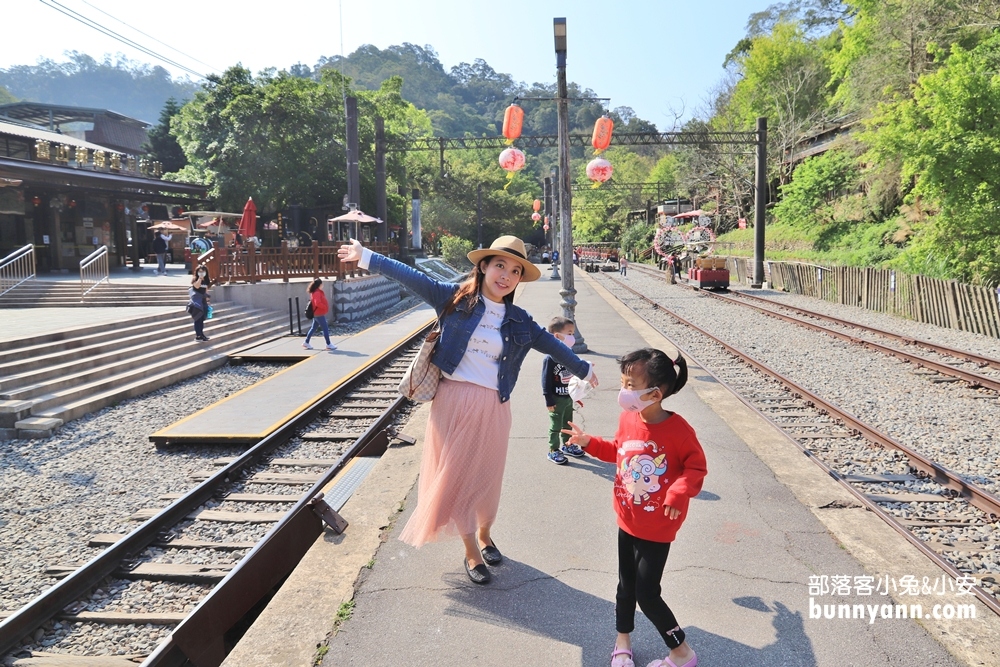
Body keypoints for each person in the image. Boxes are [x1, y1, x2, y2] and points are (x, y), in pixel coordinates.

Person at [338, 235, 598, 585]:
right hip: (453, 404)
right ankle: (471, 551)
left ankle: (485, 533)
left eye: (515, 270)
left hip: (494, 406)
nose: (505, 275)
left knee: (487, 478)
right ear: (484, 267)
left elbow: (553, 345)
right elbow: (412, 277)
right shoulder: (454, 299)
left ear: (520, 279)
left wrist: (583, 369)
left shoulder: (520, 320)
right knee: (458, 479)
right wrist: (366, 255)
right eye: (500, 266)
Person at [562, 348, 706, 667]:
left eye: (629, 384)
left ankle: (681, 652)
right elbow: (618, 450)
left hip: (658, 528)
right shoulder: (629, 418)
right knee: (625, 587)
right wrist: (589, 443)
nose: (623, 390)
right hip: (627, 519)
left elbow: (696, 469)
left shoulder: (679, 431)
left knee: (647, 593)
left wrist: (678, 492)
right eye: (624, 381)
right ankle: (622, 641)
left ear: (654, 394)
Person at [542, 316, 585, 465]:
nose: (572, 337)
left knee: (568, 423)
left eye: (573, 333)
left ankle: (567, 445)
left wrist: (576, 394)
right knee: (555, 426)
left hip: (568, 398)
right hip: (556, 399)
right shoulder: (550, 358)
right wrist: (548, 399)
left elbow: (573, 378)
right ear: (557, 336)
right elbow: (545, 381)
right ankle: (553, 450)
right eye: (570, 333)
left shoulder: (569, 354)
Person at [303, 278, 336, 351]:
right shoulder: (317, 292)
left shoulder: (315, 292)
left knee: (313, 328)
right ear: (319, 285)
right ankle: (328, 344)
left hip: (317, 313)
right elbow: (317, 303)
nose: (322, 285)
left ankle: (306, 342)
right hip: (319, 313)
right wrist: (324, 307)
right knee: (325, 328)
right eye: (322, 284)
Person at [188, 266, 211, 341]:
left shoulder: (206, 280)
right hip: (196, 303)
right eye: (200, 271)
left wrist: (208, 301)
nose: (201, 273)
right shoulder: (195, 280)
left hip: (203, 301)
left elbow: (206, 290)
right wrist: (200, 278)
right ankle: (198, 335)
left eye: (203, 271)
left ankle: (201, 334)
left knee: (202, 319)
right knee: (197, 318)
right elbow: (197, 286)